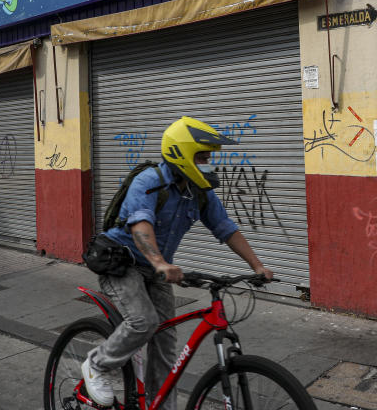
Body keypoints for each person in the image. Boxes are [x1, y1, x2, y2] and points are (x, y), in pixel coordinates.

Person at [82, 116, 274, 409]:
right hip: (121, 263)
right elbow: (140, 225)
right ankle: (97, 364)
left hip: (156, 269)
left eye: (209, 157)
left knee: (166, 344)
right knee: (143, 322)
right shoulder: (149, 181)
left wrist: (256, 266)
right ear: (181, 153)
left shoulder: (200, 193)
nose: (208, 163)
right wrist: (160, 262)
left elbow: (225, 228)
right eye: (202, 157)